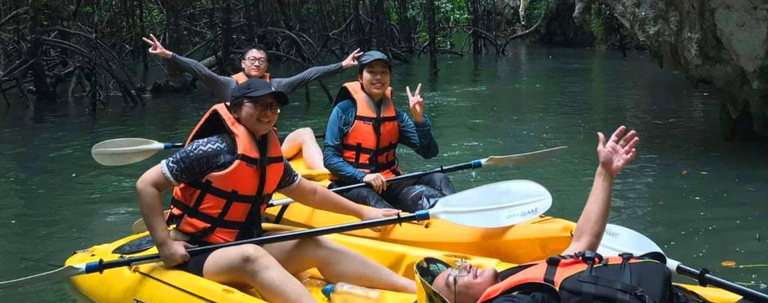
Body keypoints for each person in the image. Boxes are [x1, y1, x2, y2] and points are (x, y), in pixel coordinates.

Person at [136, 78, 415, 303]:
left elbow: (310, 193)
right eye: (258, 105)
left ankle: (413, 289)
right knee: (251, 257)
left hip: (244, 238)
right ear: (235, 109)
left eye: (272, 106)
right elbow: (147, 184)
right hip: (198, 249)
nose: (267, 113)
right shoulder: (211, 149)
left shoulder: (269, 155)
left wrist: (362, 212)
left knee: (314, 243)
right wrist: (165, 245)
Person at [415, 125, 645, 303]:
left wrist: (604, 174)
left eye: (457, 267)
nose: (464, 267)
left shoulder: (519, 282)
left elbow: (583, 242)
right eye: (455, 278)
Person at [143, 33, 362, 170]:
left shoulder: (278, 85)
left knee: (305, 132)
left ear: (266, 66)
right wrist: (169, 55)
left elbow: (309, 74)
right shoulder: (227, 85)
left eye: (262, 61)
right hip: (236, 149)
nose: (257, 63)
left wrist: (342, 65)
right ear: (242, 63)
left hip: (268, 145)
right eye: (252, 60)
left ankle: (323, 176)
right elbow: (198, 69)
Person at [323, 50, 455, 212]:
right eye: (371, 72)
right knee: (366, 196)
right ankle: (397, 222)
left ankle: (454, 213)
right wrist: (363, 177)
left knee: (438, 178)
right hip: (351, 184)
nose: (378, 77)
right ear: (359, 77)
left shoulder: (396, 115)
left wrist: (419, 120)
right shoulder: (344, 111)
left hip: (388, 181)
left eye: (383, 72)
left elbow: (429, 152)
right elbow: (330, 159)